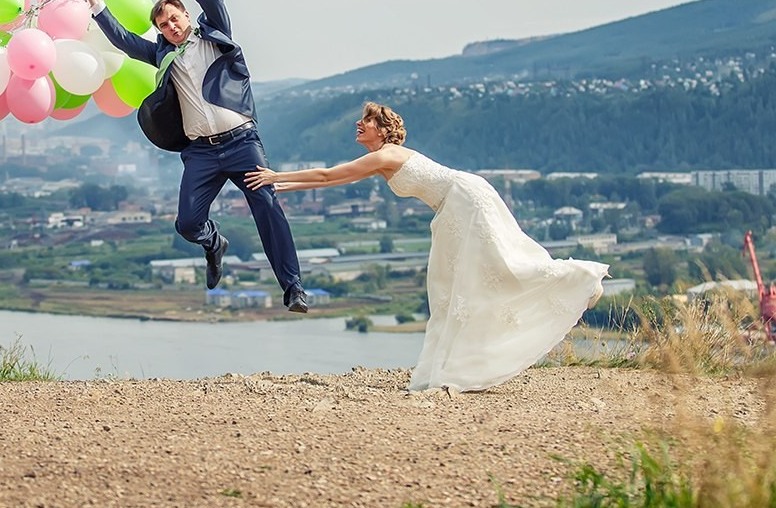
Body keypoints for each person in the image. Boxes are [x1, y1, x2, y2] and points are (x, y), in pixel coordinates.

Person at [244, 102, 609, 391]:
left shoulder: (386, 155)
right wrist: (281, 188)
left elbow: (328, 173)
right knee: (451, 286)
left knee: (502, 267)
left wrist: (277, 175)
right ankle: (455, 366)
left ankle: (583, 278)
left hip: (465, 199)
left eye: (366, 121)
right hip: (454, 204)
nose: (359, 124)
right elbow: (333, 181)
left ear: (383, 131)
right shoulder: (381, 160)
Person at [81, 0, 307, 312]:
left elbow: (215, 1)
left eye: (174, 18)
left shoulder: (215, 35)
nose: (170, 26)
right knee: (187, 223)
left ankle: (293, 287)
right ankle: (213, 242)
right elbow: (122, 40)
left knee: (267, 206)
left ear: (185, 15)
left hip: (242, 143)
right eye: (163, 25)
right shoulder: (161, 54)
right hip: (201, 151)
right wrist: (94, 1)